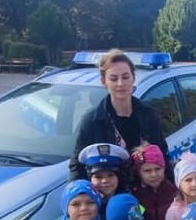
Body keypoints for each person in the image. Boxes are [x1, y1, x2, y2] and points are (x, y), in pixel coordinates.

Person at [69, 49, 169, 181]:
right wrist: (78, 194)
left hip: (147, 196)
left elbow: (162, 156)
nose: (120, 84)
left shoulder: (147, 114)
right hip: (110, 198)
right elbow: (77, 166)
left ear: (133, 78)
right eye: (114, 79)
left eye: (125, 77)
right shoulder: (92, 122)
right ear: (104, 81)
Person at [130, 143, 177, 220]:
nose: (154, 174)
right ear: (138, 172)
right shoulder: (134, 196)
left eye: (158, 169)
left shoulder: (173, 190)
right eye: (147, 171)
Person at [78, 143, 132, 215]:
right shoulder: (83, 207)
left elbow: (143, 219)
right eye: (98, 177)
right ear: (90, 178)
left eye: (111, 175)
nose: (105, 181)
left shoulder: (129, 201)